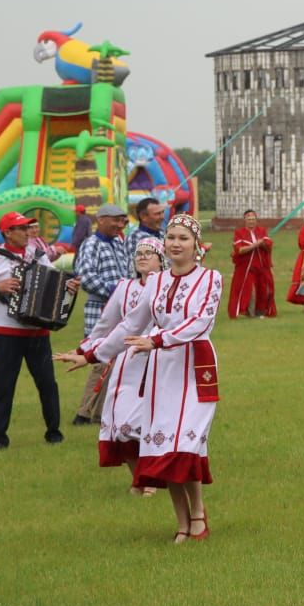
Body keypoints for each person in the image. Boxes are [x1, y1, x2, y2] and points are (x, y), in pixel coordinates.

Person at [67, 215, 220, 542]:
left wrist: (159, 339)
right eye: (171, 237)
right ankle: (184, 523)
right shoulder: (156, 282)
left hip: (193, 367)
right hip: (161, 370)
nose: (176, 243)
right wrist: (92, 354)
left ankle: (198, 514)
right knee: (163, 446)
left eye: (183, 238)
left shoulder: (211, 278)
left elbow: (200, 322)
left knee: (184, 444)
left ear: (196, 245)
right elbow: (129, 324)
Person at [55, 237, 167, 495]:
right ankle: (139, 477)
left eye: (149, 253)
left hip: (161, 360)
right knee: (121, 424)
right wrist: (84, 350)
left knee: (151, 422)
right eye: (139, 253)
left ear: (161, 260)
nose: (142, 257)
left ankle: (150, 480)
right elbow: (107, 325)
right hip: (128, 363)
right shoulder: (125, 288)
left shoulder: (168, 286)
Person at [0, 211, 76, 449]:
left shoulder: (38, 254)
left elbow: (51, 281)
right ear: (8, 233)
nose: (27, 232)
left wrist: (67, 287)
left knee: (47, 383)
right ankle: (0, 437)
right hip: (6, 330)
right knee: (5, 384)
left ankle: (54, 431)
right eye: (21, 229)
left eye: (27, 228)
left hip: (37, 330)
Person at [69, 203, 131, 425]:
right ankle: (83, 414)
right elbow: (85, 276)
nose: (119, 225)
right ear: (101, 219)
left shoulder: (118, 243)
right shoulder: (91, 244)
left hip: (121, 312)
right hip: (100, 310)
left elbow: (126, 273)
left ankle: (100, 413)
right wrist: (116, 291)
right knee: (100, 360)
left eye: (122, 221)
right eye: (115, 220)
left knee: (116, 361)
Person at [228, 209, 277, 318]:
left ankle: (261, 311)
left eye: (253, 219)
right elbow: (239, 250)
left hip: (261, 267)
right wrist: (254, 245)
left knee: (264, 289)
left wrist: (263, 244)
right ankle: (249, 312)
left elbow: (268, 245)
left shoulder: (262, 231)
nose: (251, 221)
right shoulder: (239, 233)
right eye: (249, 219)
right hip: (246, 268)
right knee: (250, 290)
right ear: (245, 220)